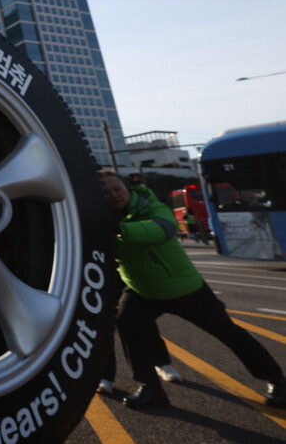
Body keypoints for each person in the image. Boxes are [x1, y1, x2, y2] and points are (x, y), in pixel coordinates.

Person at [100, 170, 286, 410]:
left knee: (229, 333)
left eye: (118, 188)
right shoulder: (100, 217)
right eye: (106, 192)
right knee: (127, 324)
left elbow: (161, 230)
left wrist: (119, 230)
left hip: (184, 288)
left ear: (127, 188)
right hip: (143, 290)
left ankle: (277, 381)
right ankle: (150, 388)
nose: (114, 195)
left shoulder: (151, 206)